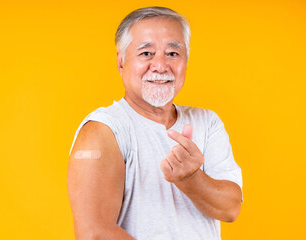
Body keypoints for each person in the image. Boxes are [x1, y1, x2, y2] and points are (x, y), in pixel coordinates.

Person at [67, 6, 242, 240]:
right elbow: (95, 234)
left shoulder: (207, 122)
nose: (160, 66)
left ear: (186, 61)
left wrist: (190, 178)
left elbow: (230, 208)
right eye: (146, 53)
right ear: (121, 62)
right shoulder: (103, 130)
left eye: (172, 53)